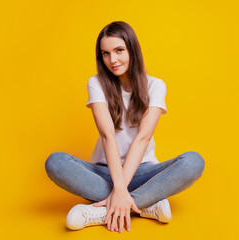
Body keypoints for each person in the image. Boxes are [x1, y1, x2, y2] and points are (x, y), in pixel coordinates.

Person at [45, 21, 205, 234]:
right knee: (55, 162)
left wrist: (121, 190)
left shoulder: (155, 85)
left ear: (132, 49)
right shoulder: (96, 83)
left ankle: (105, 210)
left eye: (119, 50)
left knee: (193, 162)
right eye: (105, 53)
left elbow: (143, 138)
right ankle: (145, 204)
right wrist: (118, 187)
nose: (112, 60)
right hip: (104, 172)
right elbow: (107, 135)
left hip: (144, 170)